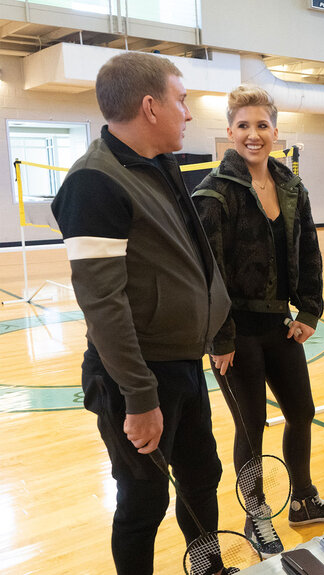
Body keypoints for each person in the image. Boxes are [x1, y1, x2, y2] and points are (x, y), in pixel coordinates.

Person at [51, 53, 232, 575]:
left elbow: (195, 258)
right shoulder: (94, 183)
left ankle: (207, 568)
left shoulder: (159, 164)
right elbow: (103, 304)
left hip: (182, 364)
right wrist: (140, 396)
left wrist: (219, 330)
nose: (189, 112)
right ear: (151, 106)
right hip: (136, 376)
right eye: (182, 99)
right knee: (144, 500)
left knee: (201, 477)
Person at [192, 85, 324, 557]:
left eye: (262, 125)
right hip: (234, 332)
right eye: (243, 125)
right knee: (252, 427)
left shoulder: (291, 186)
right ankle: (256, 515)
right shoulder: (213, 193)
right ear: (229, 132)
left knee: (301, 412)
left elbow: (308, 249)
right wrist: (219, 338)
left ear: (276, 132)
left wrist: (310, 310)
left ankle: (302, 500)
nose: (253, 134)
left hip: (279, 326)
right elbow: (208, 272)